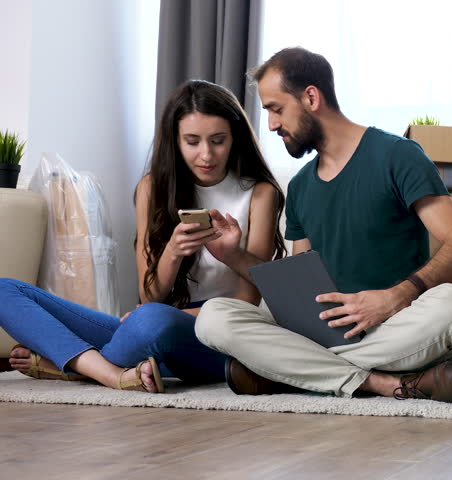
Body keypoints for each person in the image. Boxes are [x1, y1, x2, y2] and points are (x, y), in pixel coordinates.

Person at [195, 47, 452, 403]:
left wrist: (396, 297)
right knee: (213, 317)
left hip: (391, 326)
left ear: (311, 97)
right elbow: (298, 283)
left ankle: (289, 373)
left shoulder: (398, 155)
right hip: (323, 332)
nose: (270, 124)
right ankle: (377, 382)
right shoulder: (300, 186)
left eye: (276, 109)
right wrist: (232, 255)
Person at [0, 80, 285, 394]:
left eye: (218, 140)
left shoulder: (260, 193)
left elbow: (246, 302)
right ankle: (113, 371)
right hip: (153, 324)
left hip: (218, 334)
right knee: (4, 290)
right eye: (192, 141)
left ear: (235, 138)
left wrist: (229, 254)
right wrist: (173, 252)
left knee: (150, 321)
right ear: (175, 141)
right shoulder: (152, 188)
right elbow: (150, 295)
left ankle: (82, 369)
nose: (206, 154)